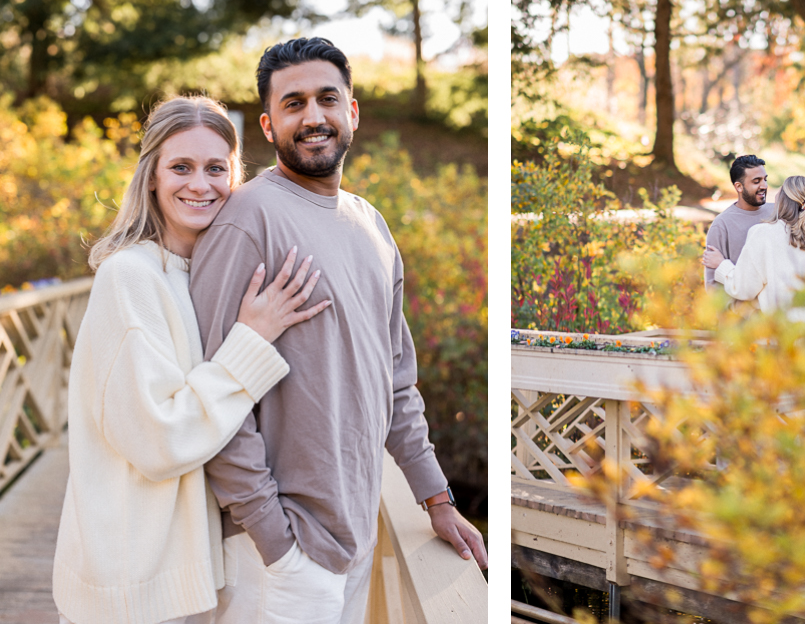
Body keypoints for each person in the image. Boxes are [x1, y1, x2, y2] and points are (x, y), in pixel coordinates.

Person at [189, 37, 486, 624]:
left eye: (327, 99)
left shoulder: (371, 224)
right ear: (269, 126)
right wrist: (276, 540)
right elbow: (210, 392)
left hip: (356, 536)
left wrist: (436, 496)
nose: (313, 116)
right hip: (280, 553)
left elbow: (395, 380)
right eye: (293, 104)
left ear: (352, 112)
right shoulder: (246, 221)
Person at [52, 96, 331, 624]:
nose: (199, 185)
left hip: (189, 575)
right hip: (132, 586)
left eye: (215, 169)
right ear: (151, 177)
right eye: (180, 167)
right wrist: (252, 340)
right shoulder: (130, 276)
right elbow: (161, 438)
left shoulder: (201, 273)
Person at [701, 175, 805, 322]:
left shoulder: (763, 233)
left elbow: (744, 288)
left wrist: (721, 265)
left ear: (782, 199)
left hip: (781, 335)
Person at [704, 155, 775, 304]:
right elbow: (713, 286)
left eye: (765, 179)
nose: (764, 186)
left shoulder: (777, 214)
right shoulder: (721, 225)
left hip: (777, 319)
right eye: (756, 181)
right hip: (741, 321)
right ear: (739, 187)